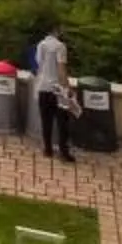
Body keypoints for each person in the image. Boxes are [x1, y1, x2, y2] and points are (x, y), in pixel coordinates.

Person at [34, 26, 77, 163]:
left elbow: (39, 65)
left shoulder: (41, 45)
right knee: (62, 121)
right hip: (57, 89)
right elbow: (61, 70)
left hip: (42, 87)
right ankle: (64, 152)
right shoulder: (60, 47)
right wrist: (67, 88)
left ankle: (48, 149)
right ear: (56, 31)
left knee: (46, 120)